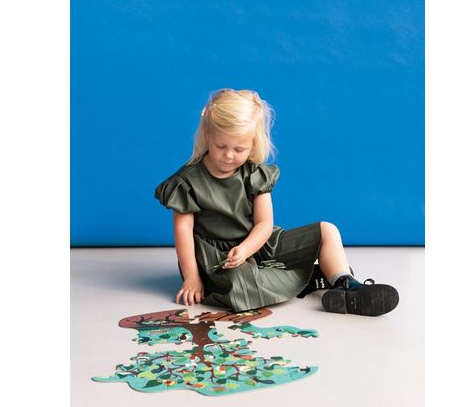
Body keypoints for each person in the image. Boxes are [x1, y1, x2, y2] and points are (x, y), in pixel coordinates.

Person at [155, 88, 399, 316]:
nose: (228, 155)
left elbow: (264, 223)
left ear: (253, 143)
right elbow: (183, 231)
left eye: (239, 149)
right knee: (239, 285)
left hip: (257, 242)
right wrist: (192, 277)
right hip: (220, 258)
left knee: (327, 230)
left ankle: (345, 284)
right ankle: (311, 277)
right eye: (221, 146)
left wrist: (247, 249)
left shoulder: (255, 174)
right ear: (208, 134)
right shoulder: (187, 181)